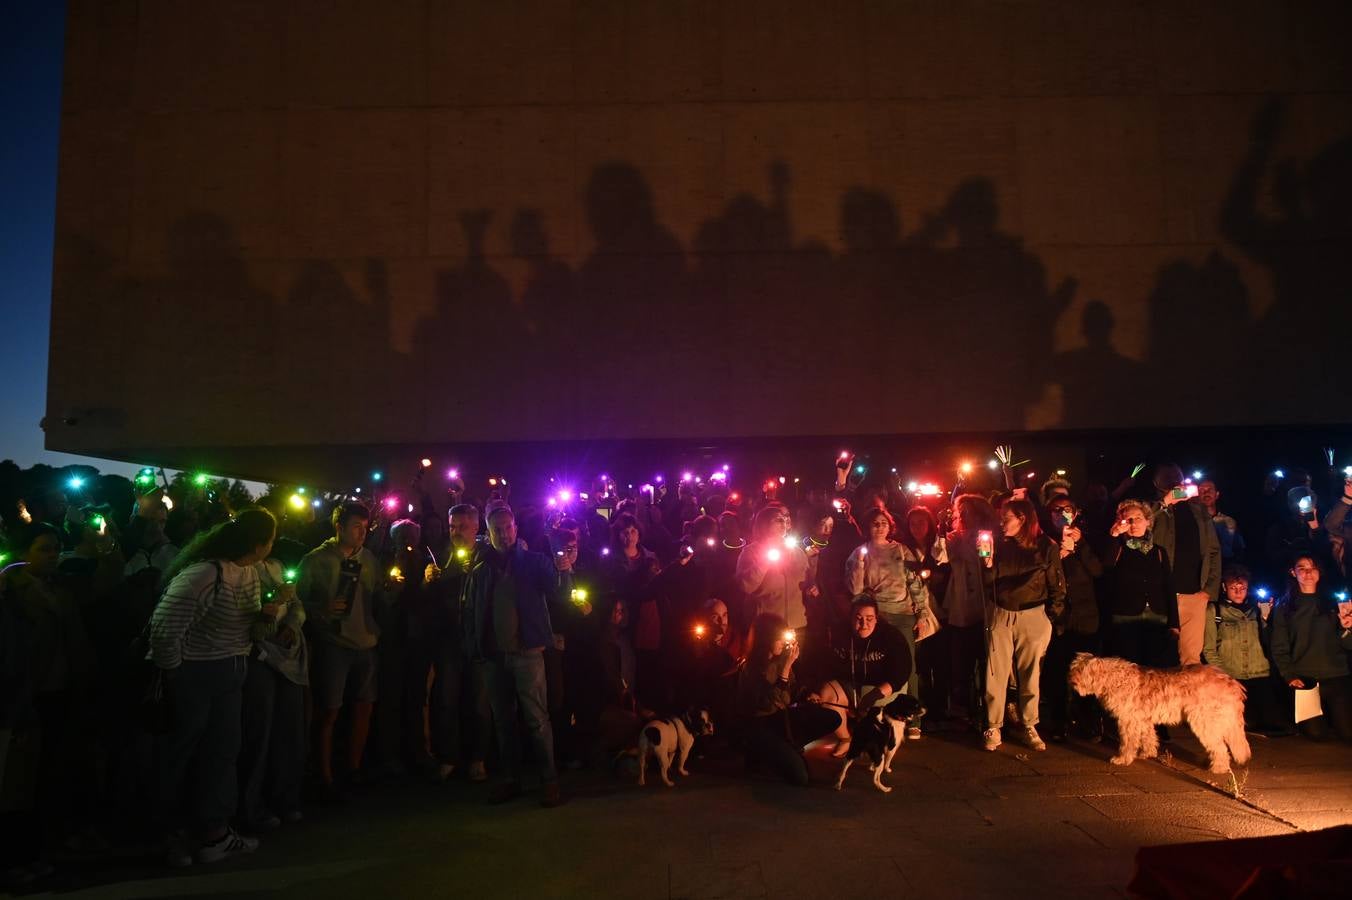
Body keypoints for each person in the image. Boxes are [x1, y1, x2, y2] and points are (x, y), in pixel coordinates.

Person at [149, 509, 277, 865]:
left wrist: (270, 614)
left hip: (232, 672)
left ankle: (213, 832)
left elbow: (250, 629)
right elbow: (164, 628)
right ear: (258, 543)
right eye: (270, 538)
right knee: (179, 755)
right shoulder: (203, 574)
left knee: (222, 754)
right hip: (194, 673)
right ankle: (166, 835)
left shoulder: (249, 573)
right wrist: (174, 673)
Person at [462, 505, 567, 807]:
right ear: (488, 532)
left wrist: (564, 567)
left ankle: (549, 780)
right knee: (504, 723)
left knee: (536, 721)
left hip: (528, 653)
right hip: (494, 657)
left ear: (516, 528)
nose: (504, 533)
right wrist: (475, 647)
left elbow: (557, 591)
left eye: (508, 527)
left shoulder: (535, 563)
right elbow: (470, 611)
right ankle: (512, 779)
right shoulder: (481, 570)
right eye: (497, 529)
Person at [298, 502, 384, 798]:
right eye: (356, 527)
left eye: (366, 527)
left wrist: (393, 591)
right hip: (333, 645)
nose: (363, 533)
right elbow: (296, 602)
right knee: (328, 711)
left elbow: (378, 598)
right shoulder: (315, 561)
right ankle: (324, 775)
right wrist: (320, 609)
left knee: (363, 707)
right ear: (339, 528)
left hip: (366, 643)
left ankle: (353, 768)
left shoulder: (370, 559)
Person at [980, 498, 1063, 753]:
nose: (1001, 523)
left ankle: (1029, 723)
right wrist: (988, 564)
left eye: (1006, 518)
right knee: (995, 673)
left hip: (1033, 613)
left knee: (1030, 674)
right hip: (1002, 612)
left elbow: (1056, 583)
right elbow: (989, 582)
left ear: (1023, 518)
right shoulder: (998, 544)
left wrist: (1051, 616)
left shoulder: (1046, 546)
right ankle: (993, 725)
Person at [845, 506, 932, 736]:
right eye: (875, 523)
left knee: (908, 665)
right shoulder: (858, 553)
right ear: (867, 526)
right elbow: (855, 589)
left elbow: (915, 582)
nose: (880, 527)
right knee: (878, 663)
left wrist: (922, 612)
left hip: (902, 613)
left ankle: (912, 720)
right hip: (876, 615)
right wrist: (860, 565)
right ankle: (879, 715)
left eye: (884, 523)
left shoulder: (901, 550)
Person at [237, 557, 307, 832]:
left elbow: (297, 604)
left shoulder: (276, 566)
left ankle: (284, 797)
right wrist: (275, 601)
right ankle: (250, 805)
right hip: (259, 657)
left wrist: (291, 624)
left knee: (288, 730)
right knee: (259, 731)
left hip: (287, 656)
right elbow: (252, 623)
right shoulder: (242, 573)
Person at [736, 613, 839, 786]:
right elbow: (767, 703)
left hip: (780, 720)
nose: (783, 643)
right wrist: (785, 669)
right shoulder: (751, 668)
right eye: (778, 638)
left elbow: (790, 693)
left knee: (831, 717)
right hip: (759, 727)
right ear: (765, 639)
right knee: (800, 777)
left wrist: (808, 695)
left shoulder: (780, 660)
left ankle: (789, 745)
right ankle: (762, 753)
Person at [1266, 554, 1352, 742]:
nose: (1307, 573)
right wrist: (1289, 675)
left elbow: (1348, 644)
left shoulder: (1334, 603)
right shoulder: (1284, 606)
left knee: (1347, 733)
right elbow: (1279, 646)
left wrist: (1348, 628)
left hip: (1336, 675)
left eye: (1312, 568)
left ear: (1319, 572)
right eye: (1302, 568)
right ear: (1293, 572)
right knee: (1316, 735)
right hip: (1305, 678)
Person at [1041, 496, 1103, 741]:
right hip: (1057, 618)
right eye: (1056, 510)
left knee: (1086, 671)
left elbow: (1098, 570)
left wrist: (1080, 546)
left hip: (1085, 615)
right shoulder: (1044, 542)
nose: (1062, 514)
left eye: (1067, 509)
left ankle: (1088, 721)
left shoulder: (1086, 538)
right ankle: (1058, 721)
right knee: (1056, 672)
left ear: (1076, 513)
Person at [820, 595, 913, 756]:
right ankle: (846, 740)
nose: (864, 624)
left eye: (869, 619)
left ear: (877, 618)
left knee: (874, 714)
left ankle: (878, 742)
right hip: (852, 684)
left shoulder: (891, 636)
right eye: (858, 618)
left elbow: (902, 672)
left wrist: (873, 696)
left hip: (883, 687)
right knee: (826, 694)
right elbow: (827, 665)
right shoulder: (839, 633)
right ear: (850, 618)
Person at [1203, 564, 1288, 735]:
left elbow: (1272, 640)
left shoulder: (1257, 610)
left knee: (1276, 723)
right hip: (1232, 675)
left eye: (1242, 587)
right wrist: (1224, 676)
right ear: (1224, 587)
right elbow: (1209, 649)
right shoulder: (1215, 611)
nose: (1238, 591)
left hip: (1260, 674)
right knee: (1246, 722)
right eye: (1233, 587)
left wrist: (1267, 618)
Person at [1149, 464, 1221, 667]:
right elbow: (1141, 526)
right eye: (1167, 478)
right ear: (1157, 484)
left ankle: (1190, 698)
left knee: (1191, 659)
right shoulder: (1153, 508)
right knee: (1160, 659)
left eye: (1176, 477)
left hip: (1194, 595)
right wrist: (1165, 502)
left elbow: (1214, 550)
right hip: (1162, 595)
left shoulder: (1199, 511)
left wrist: (1208, 590)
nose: (1173, 480)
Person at [1104, 499, 1180, 670]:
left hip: (1157, 616)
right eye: (1127, 519)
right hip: (1126, 617)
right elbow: (1105, 568)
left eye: (1138, 518)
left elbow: (1169, 586)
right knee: (1127, 670)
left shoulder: (1159, 551)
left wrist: (1174, 622)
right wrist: (1114, 535)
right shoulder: (1118, 547)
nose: (1133, 523)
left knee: (1156, 670)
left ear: (1148, 521)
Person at [945, 494, 999, 726]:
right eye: (961, 512)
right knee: (961, 661)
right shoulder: (952, 538)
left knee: (986, 659)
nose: (964, 516)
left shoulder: (987, 537)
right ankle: (962, 708)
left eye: (969, 511)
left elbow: (990, 565)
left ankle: (988, 707)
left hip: (984, 605)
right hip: (960, 606)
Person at [1197, 479, 1245, 563]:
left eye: (1210, 490)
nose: (1206, 493)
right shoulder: (1192, 521)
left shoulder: (1228, 521)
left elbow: (1239, 549)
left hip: (1224, 568)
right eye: (1201, 490)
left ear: (1217, 494)